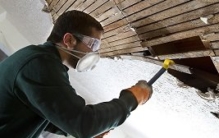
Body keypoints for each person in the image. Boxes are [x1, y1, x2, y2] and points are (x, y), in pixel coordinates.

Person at [0, 10, 152, 138]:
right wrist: (133, 98)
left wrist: (91, 129)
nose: (95, 52)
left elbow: (49, 113)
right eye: (93, 44)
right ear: (69, 39)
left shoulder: (39, 60)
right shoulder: (39, 63)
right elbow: (83, 122)